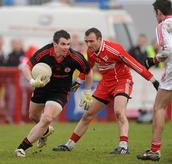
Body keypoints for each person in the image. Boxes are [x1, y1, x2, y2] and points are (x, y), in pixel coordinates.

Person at [52, 27, 159, 154]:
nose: (88, 44)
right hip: (105, 84)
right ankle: (69, 145)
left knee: (119, 111)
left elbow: (135, 64)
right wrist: (78, 82)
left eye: (91, 41)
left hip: (122, 81)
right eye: (86, 41)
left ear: (100, 39)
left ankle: (123, 146)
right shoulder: (91, 52)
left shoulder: (114, 49)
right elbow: (87, 68)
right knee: (87, 115)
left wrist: (153, 81)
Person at [14, 29, 93, 157]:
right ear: (55, 44)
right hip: (42, 88)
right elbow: (26, 67)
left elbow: (88, 71)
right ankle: (45, 132)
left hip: (60, 92)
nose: (66, 47)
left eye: (68, 44)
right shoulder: (44, 53)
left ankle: (22, 148)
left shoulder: (74, 57)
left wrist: (88, 92)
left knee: (47, 118)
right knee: (34, 117)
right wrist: (32, 81)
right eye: (63, 44)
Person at [137, 0, 172, 161]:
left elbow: (167, 49)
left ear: (159, 12)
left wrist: (154, 60)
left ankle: (155, 150)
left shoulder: (163, 25)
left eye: (155, 13)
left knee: (159, 107)